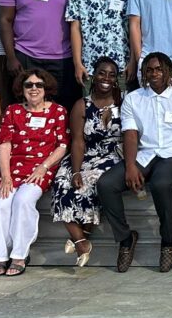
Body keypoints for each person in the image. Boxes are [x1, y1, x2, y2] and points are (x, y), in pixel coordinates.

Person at [97, 53, 172, 273]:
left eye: (159, 69)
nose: (154, 74)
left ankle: (168, 240)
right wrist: (131, 166)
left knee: (161, 183)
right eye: (149, 70)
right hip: (145, 154)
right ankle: (125, 239)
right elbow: (130, 134)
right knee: (106, 184)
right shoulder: (134, 99)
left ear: (169, 72)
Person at [0, 69, 70, 276]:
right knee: (0, 201)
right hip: (13, 167)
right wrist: (5, 175)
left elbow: (62, 146)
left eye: (39, 85)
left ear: (46, 89)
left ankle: (19, 254)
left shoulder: (58, 111)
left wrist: (43, 167)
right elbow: (4, 144)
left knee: (23, 200)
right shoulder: (13, 111)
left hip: (41, 168)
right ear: (22, 89)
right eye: (29, 85)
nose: (34, 89)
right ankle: (0, 255)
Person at [50, 57, 123, 267]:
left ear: (116, 79)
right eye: (102, 73)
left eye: (111, 74)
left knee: (92, 183)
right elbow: (78, 141)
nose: (106, 78)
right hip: (84, 153)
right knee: (63, 183)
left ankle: (80, 239)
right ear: (93, 75)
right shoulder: (82, 105)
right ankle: (82, 242)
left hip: (112, 155)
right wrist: (75, 171)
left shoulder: (123, 102)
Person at [0, 0, 81, 107]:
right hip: (25, 55)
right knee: (26, 106)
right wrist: (11, 57)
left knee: (61, 106)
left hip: (62, 57)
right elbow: (5, 20)